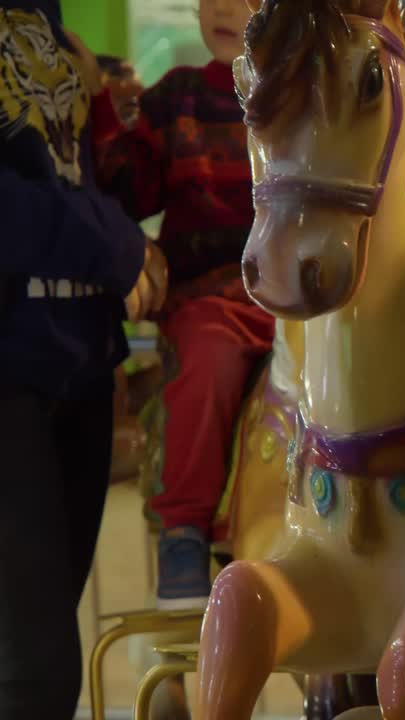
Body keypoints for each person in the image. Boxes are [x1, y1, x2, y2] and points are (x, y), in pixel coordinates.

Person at [83, 0, 265, 609]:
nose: (219, 7)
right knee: (208, 357)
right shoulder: (179, 97)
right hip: (213, 294)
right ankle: (185, 526)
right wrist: (106, 112)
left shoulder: (306, 96)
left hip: (301, 297)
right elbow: (127, 190)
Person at [0, 1, 151, 715]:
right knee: (35, 671)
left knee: (40, 656)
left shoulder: (51, 21)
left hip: (77, 362)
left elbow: (74, 175)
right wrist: (120, 246)